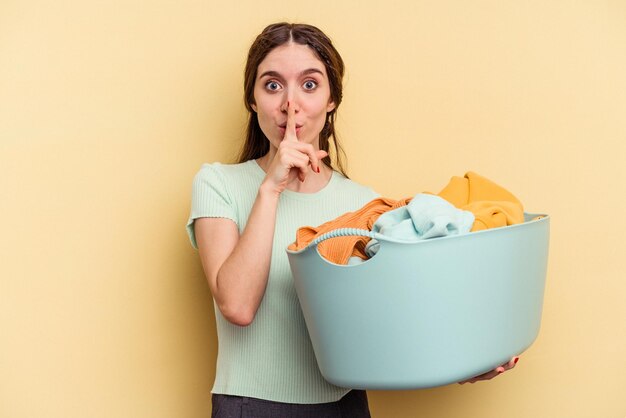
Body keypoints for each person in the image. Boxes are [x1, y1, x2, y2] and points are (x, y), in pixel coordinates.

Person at [186, 22, 517, 418]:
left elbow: (386, 325)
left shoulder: (365, 205)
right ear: (253, 100)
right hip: (250, 407)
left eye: (310, 85)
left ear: (331, 101)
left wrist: (464, 362)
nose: (290, 104)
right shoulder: (219, 183)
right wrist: (270, 190)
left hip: (343, 408)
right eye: (272, 85)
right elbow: (237, 306)